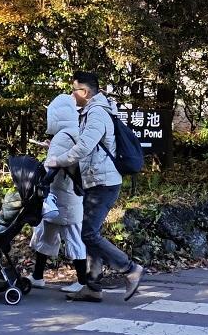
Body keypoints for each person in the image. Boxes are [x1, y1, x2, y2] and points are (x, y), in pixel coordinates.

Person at [46, 71, 145, 302]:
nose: (73, 95)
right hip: (97, 180)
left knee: (88, 233)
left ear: (85, 92)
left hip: (104, 182)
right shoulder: (93, 111)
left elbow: (84, 148)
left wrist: (58, 160)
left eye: (74, 90)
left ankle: (130, 269)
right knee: (90, 232)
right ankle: (92, 286)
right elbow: (85, 145)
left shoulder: (97, 113)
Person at [28, 94, 89, 293]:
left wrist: (41, 183)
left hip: (62, 196)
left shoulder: (63, 136)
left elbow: (54, 166)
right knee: (46, 234)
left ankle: (82, 281)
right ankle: (37, 276)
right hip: (64, 195)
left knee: (72, 237)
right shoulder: (74, 131)